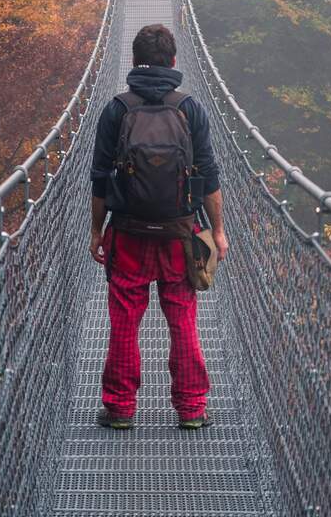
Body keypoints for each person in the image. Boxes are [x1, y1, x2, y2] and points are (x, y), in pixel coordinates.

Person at [89, 23, 229, 430]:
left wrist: (97, 231)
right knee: (183, 320)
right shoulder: (190, 108)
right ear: (173, 62)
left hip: (128, 234)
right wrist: (217, 231)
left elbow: (100, 178)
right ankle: (191, 410)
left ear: (133, 62)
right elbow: (209, 176)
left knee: (124, 323)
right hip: (180, 236)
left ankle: (119, 410)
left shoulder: (116, 108)